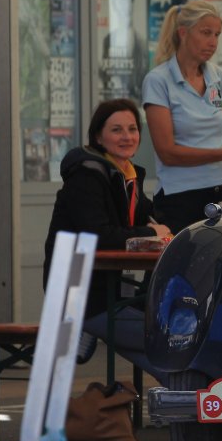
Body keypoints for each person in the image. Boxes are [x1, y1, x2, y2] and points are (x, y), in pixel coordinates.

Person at [44, 98, 171, 364]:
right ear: (98, 138)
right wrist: (150, 233)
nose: (127, 136)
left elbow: (153, 220)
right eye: (116, 130)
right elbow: (99, 237)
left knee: (167, 351)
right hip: (78, 293)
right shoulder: (86, 176)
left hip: (110, 291)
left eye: (132, 129)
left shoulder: (127, 175)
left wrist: (159, 228)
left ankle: (187, 390)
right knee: (169, 344)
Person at [141, 0, 222, 230]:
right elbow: (168, 153)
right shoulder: (158, 80)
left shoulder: (216, 76)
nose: (213, 42)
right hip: (182, 195)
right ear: (183, 33)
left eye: (217, 34)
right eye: (205, 33)